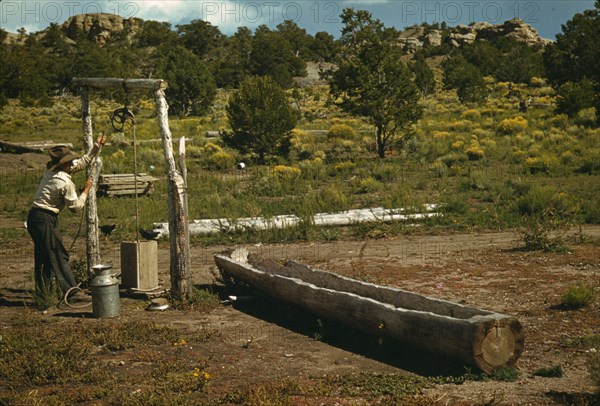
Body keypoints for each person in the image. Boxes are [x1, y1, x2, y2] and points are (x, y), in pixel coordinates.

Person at [27, 135, 106, 301]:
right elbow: (76, 207)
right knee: (57, 254)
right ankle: (73, 292)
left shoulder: (51, 169)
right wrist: (86, 190)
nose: (72, 164)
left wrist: (96, 147)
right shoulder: (64, 182)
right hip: (44, 218)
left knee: (44, 256)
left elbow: (82, 163)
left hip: (36, 218)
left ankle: (44, 292)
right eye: (69, 161)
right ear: (62, 164)